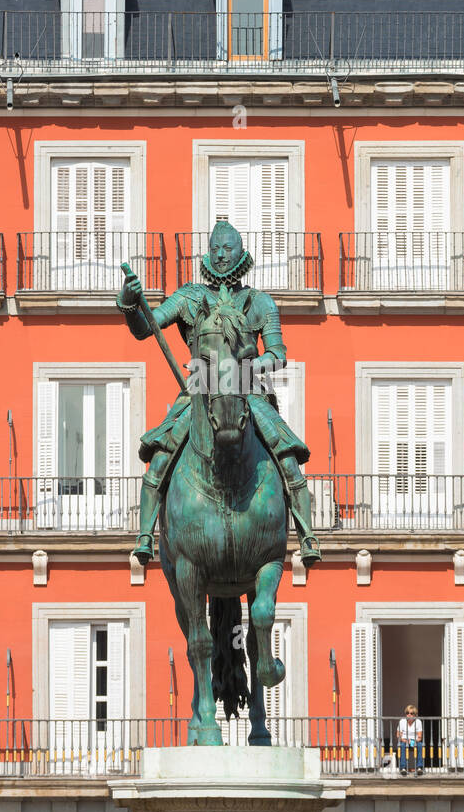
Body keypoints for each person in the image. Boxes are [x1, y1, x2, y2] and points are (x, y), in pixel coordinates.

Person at [117, 221, 321, 566]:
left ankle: (307, 535)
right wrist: (129, 303)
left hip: (248, 392)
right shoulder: (189, 297)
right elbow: (145, 328)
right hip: (199, 391)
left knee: (286, 455)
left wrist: (249, 369)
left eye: (228, 249)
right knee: (162, 454)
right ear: (207, 254)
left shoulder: (260, 302)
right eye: (215, 249)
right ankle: (146, 534)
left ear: (240, 252)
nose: (222, 255)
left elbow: (278, 353)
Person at [397, 704, 424, 776]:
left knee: (420, 745)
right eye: (407, 713)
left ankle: (419, 767)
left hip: (413, 741)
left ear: (415, 715)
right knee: (402, 746)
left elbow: (420, 737)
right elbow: (398, 735)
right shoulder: (402, 721)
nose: (409, 715)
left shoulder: (418, 722)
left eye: (411, 713)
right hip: (404, 741)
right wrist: (404, 740)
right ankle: (403, 768)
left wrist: (412, 741)